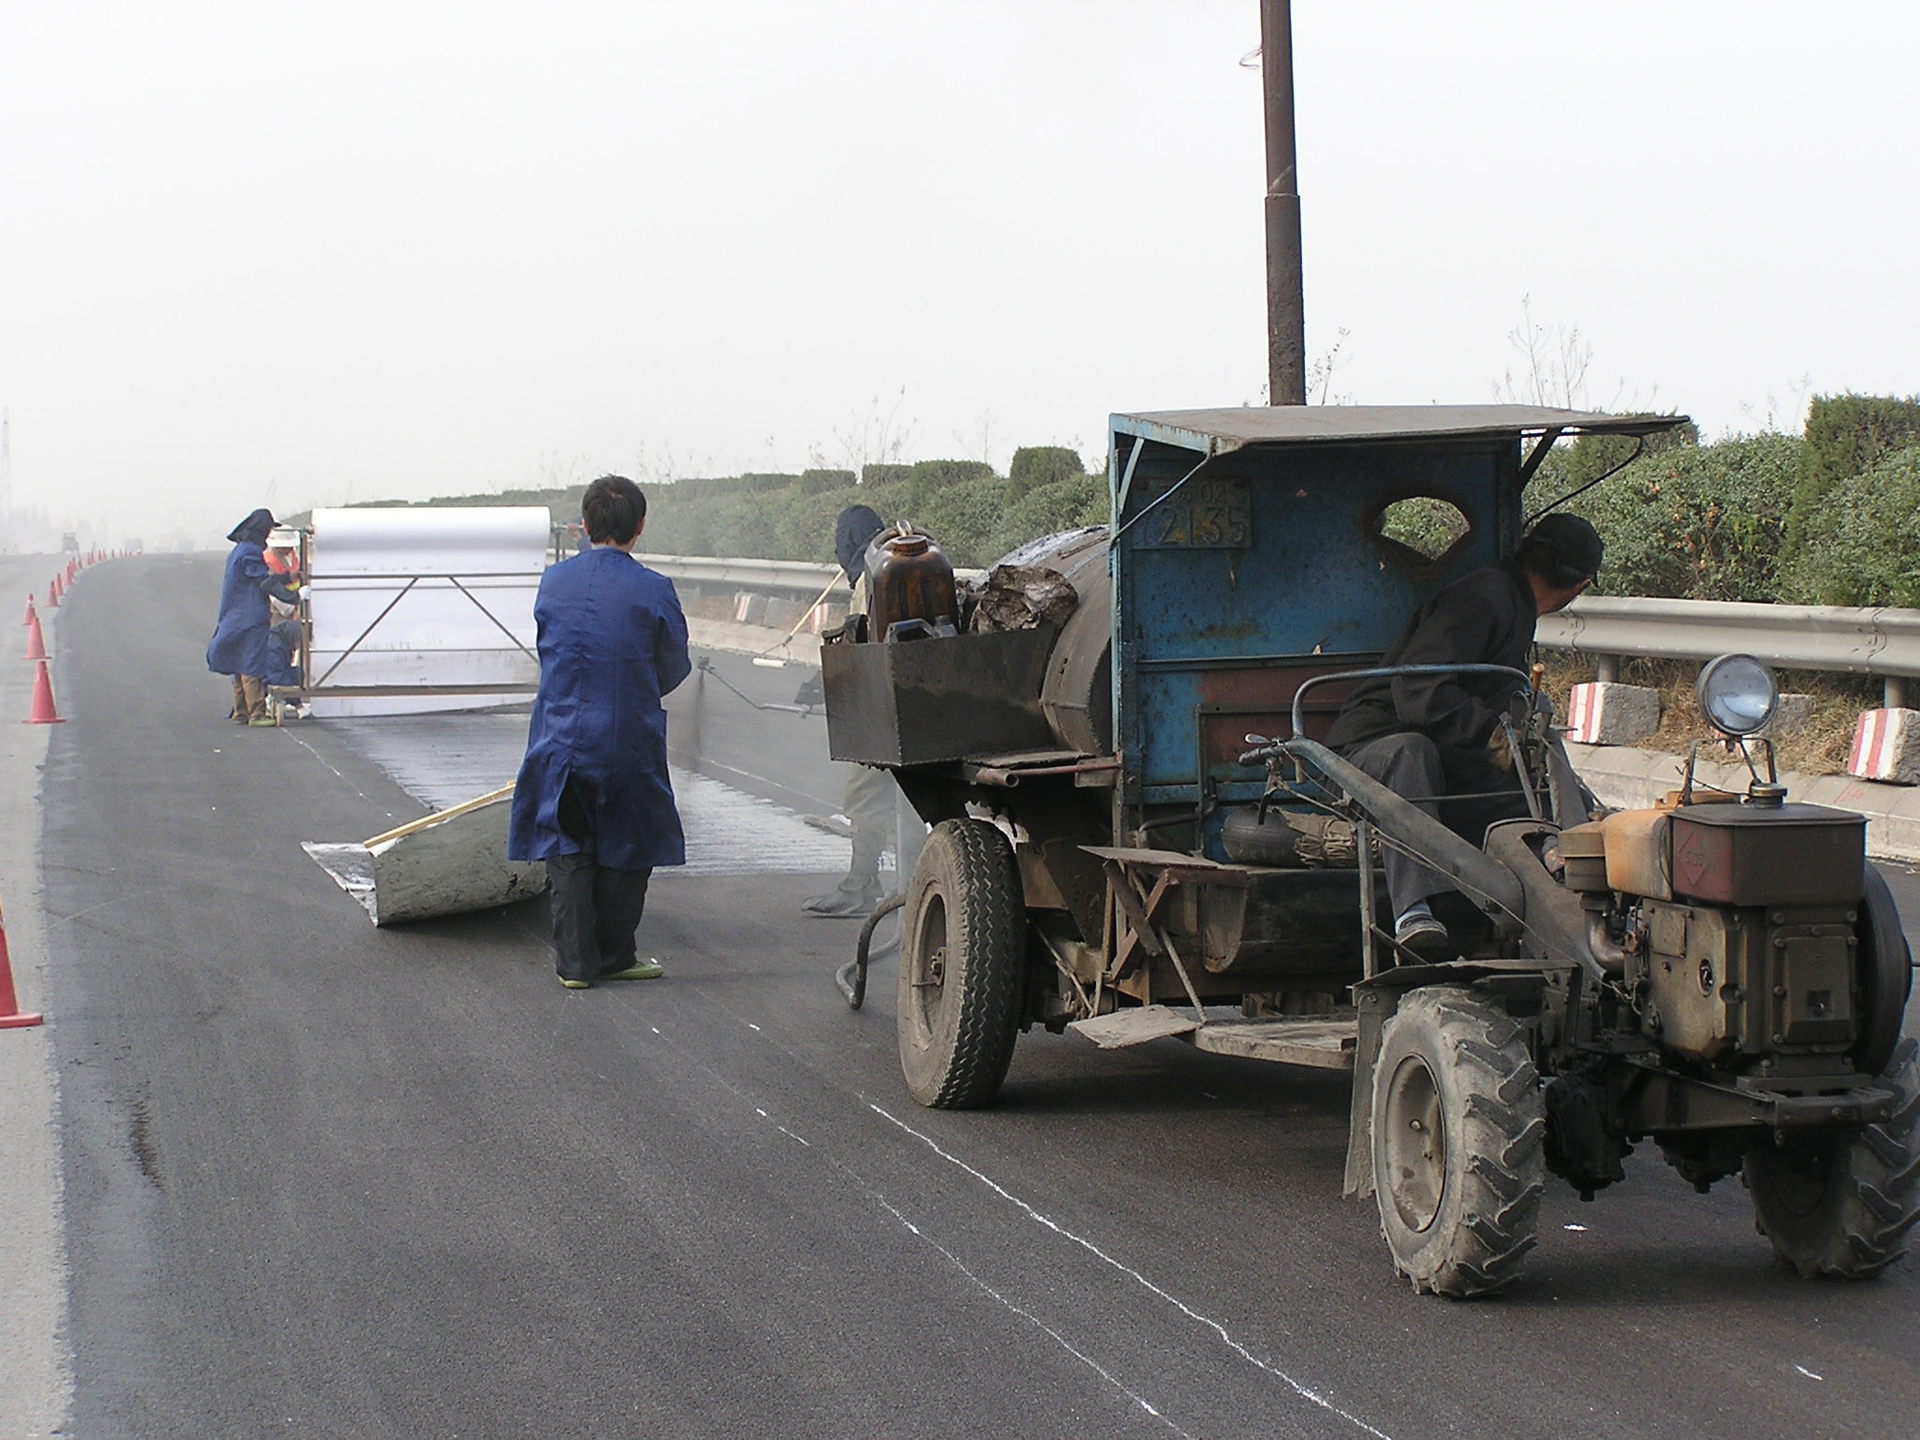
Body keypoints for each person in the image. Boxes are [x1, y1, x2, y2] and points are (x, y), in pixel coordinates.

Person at [1323, 512, 1604, 961]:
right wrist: (1488, 733)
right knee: (1411, 752)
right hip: (1375, 744)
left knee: (1539, 772)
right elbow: (1416, 689)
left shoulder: (1513, 602)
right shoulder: (1487, 596)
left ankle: (1567, 884)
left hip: (1443, 751)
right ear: (1578, 586)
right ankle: (1413, 912)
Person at [508, 475, 692, 989]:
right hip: (627, 734)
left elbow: (551, 646)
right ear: (640, 527)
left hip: (560, 733)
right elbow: (674, 664)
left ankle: (574, 965)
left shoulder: (553, 582)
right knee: (628, 845)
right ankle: (614, 954)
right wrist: (634, 687)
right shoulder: (654, 589)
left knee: (567, 844)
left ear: (584, 526)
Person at [803, 504, 898, 917]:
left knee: (864, 797)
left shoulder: (870, 574)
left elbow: (860, 649)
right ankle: (912, 885)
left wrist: (824, 686)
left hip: (883, 706)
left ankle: (860, 887)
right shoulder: (900, 558)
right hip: (920, 702)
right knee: (911, 804)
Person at [206, 508, 301, 726]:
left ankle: (241, 711)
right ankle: (257, 712)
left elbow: (259, 575)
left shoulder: (240, 550)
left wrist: (287, 576)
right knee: (252, 662)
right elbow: (264, 582)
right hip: (250, 616)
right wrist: (295, 596)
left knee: (238, 660)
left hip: (235, 614)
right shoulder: (251, 552)